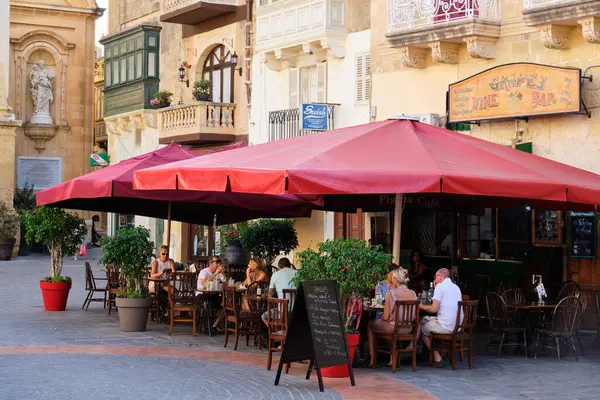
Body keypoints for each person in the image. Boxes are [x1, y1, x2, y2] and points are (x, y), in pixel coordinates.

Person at [367, 268, 417, 368]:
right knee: (386, 326)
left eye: (393, 277)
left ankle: (373, 358)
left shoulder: (392, 293)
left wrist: (383, 317)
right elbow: (415, 316)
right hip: (408, 329)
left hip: (394, 328)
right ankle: (393, 355)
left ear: (395, 279)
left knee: (370, 324)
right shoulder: (412, 293)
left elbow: (385, 317)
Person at [418, 268, 462, 367]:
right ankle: (422, 352)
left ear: (441, 277)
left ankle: (437, 357)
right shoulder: (456, 287)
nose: (434, 278)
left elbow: (434, 309)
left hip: (445, 326)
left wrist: (420, 306)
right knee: (423, 320)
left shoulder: (440, 287)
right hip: (457, 325)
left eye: (436, 276)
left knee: (421, 329)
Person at [262, 258, 297, 326]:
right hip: (297, 311)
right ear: (289, 265)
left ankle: (275, 331)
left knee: (264, 316)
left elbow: (271, 293)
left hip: (282, 312)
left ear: (278, 267)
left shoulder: (275, 274)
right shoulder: (298, 273)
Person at [196, 256, 227, 331]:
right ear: (210, 263)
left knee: (227, 303)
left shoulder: (219, 273)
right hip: (202, 295)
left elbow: (226, 283)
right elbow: (205, 284)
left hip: (214, 295)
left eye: (220, 262)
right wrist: (216, 273)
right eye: (217, 262)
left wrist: (222, 273)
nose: (219, 264)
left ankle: (215, 323)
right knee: (208, 304)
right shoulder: (204, 272)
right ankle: (205, 323)